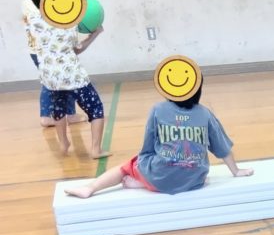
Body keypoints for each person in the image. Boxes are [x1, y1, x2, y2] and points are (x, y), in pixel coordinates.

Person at [65, 79, 252, 198]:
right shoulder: (205, 113)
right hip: (195, 180)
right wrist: (236, 171)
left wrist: (143, 166)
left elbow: (148, 146)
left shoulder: (158, 110)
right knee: (191, 170)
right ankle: (144, 182)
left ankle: (91, 188)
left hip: (161, 176)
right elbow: (222, 147)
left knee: (126, 167)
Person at [22, 0, 104, 157]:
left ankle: (63, 144)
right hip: (73, 77)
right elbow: (77, 49)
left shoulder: (35, 22)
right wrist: (95, 34)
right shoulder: (68, 24)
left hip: (51, 78)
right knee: (96, 109)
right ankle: (96, 150)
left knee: (58, 110)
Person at [14, 0, 82, 127]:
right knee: (51, 81)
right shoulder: (31, 3)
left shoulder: (34, 1)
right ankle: (46, 116)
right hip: (43, 51)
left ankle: (70, 114)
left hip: (48, 49)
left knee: (66, 76)